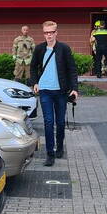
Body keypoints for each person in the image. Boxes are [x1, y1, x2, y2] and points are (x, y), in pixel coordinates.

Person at [30, 21, 79, 167]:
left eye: (51, 32)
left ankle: (60, 147)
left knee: (60, 122)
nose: (49, 35)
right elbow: (33, 67)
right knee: (49, 122)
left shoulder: (64, 48)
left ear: (56, 33)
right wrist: (35, 83)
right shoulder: (39, 49)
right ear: (43, 33)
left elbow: (72, 69)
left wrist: (74, 88)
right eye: (46, 33)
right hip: (45, 91)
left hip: (61, 92)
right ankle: (50, 154)